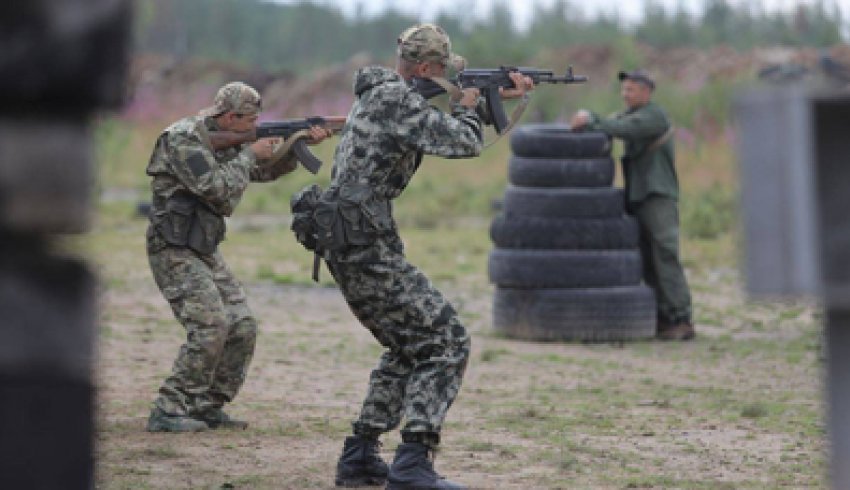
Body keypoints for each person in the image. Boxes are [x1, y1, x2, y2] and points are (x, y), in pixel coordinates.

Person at [308, 24, 531, 489]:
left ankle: (361, 456)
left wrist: (486, 101)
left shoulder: (385, 96)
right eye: (443, 71)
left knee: (409, 343)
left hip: (354, 234)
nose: (449, 77)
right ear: (427, 69)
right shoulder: (395, 100)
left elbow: (429, 127)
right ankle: (412, 464)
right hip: (362, 237)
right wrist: (469, 106)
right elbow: (462, 142)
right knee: (448, 341)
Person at [144, 82, 330, 432]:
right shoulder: (183, 139)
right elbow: (217, 190)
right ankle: (168, 408)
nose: (254, 127)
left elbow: (260, 172)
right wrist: (249, 154)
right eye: (250, 121)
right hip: (173, 246)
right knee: (211, 324)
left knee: (241, 325)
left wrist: (294, 147)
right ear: (229, 117)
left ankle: (205, 405)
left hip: (202, 244)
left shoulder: (228, 136)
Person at [570, 69, 694, 341]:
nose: (626, 94)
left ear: (647, 92)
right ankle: (662, 317)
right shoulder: (629, 115)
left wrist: (592, 120)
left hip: (657, 195)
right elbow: (616, 123)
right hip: (639, 195)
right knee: (647, 259)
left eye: (632, 90)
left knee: (665, 255)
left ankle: (680, 318)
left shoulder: (654, 116)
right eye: (624, 90)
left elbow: (624, 129)